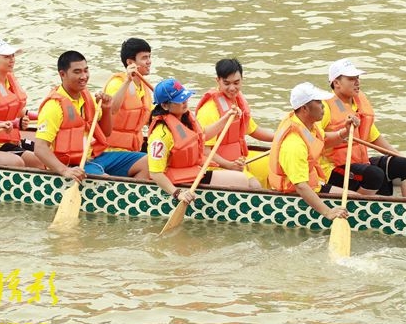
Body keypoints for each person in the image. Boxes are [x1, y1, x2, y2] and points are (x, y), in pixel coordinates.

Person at [33, 51, 148, 183]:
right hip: (72, 165)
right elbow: (40, 148)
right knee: (106, 180)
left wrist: (106, 108)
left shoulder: (88, 98)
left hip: (95, 158)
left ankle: (132, 192)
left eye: (86, 70)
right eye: (77, 72)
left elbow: (106, 132)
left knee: (147, 162)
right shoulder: (53, 106)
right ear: (62, 74)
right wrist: (65, 171)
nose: (84, 76)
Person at [320, 59, 406, 198]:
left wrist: (401, 155)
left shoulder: (358, 105)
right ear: (336, 83)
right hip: (332, 170)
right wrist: (340, 136)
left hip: (360, 164)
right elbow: (314, 138)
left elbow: (374, 138)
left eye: (357, 77)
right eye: (351, 78)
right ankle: (355, 208)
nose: (357, 82)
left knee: (405, 165)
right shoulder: (324, 108)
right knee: (374, 175)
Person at [148, 78, 254, 204]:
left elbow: (203, 135)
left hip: (193, 173)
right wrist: (178, 194)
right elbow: (155, 173)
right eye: (180, 100)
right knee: (240, 180)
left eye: (185, 98)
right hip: (178, 182)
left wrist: (227, 117)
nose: (185, 102)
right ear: (165, 106)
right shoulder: (160, 135)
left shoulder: (184, 119)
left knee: (241, 179)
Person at [267, 82, 348, 220]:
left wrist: (344, 131)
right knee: (357, 197)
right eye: (318, 102)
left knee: (357, 194)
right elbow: (300, 186)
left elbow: (324, 140)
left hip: (314, 184)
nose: (323, 105)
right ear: (304, 108)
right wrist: (328, 213)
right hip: (297, 192)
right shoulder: (294, 144)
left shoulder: (308, 125)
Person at [195, 58, 274, 188]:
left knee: (275, 164)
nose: (232, 88)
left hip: (236, 161)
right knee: (254, 185)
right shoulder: (208, 110)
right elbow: (204, 151)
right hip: (215, 166)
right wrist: (229, 165)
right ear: (218, 81)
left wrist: (278, 137)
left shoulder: (237, 101)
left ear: (242, 80)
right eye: (226, 83)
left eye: (236, 83)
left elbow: (252, 130)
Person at [0, 39, 44, 169]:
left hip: (10, 139)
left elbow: (18, 111)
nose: (12, 60)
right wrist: (16, 123)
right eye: (6, 57)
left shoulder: (8, 80)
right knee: (36, 160)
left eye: (13, 56)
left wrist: (42, 115)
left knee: (47, 151)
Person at [103, 38, 152, 152]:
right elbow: (111, 109)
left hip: (133, 149)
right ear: (130, 63)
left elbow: (150, 117)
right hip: (112, 150)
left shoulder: (144, 86)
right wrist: (127, 81)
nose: (149, 61)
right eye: (144, 58)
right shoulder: (117, 83)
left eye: (149, 56)